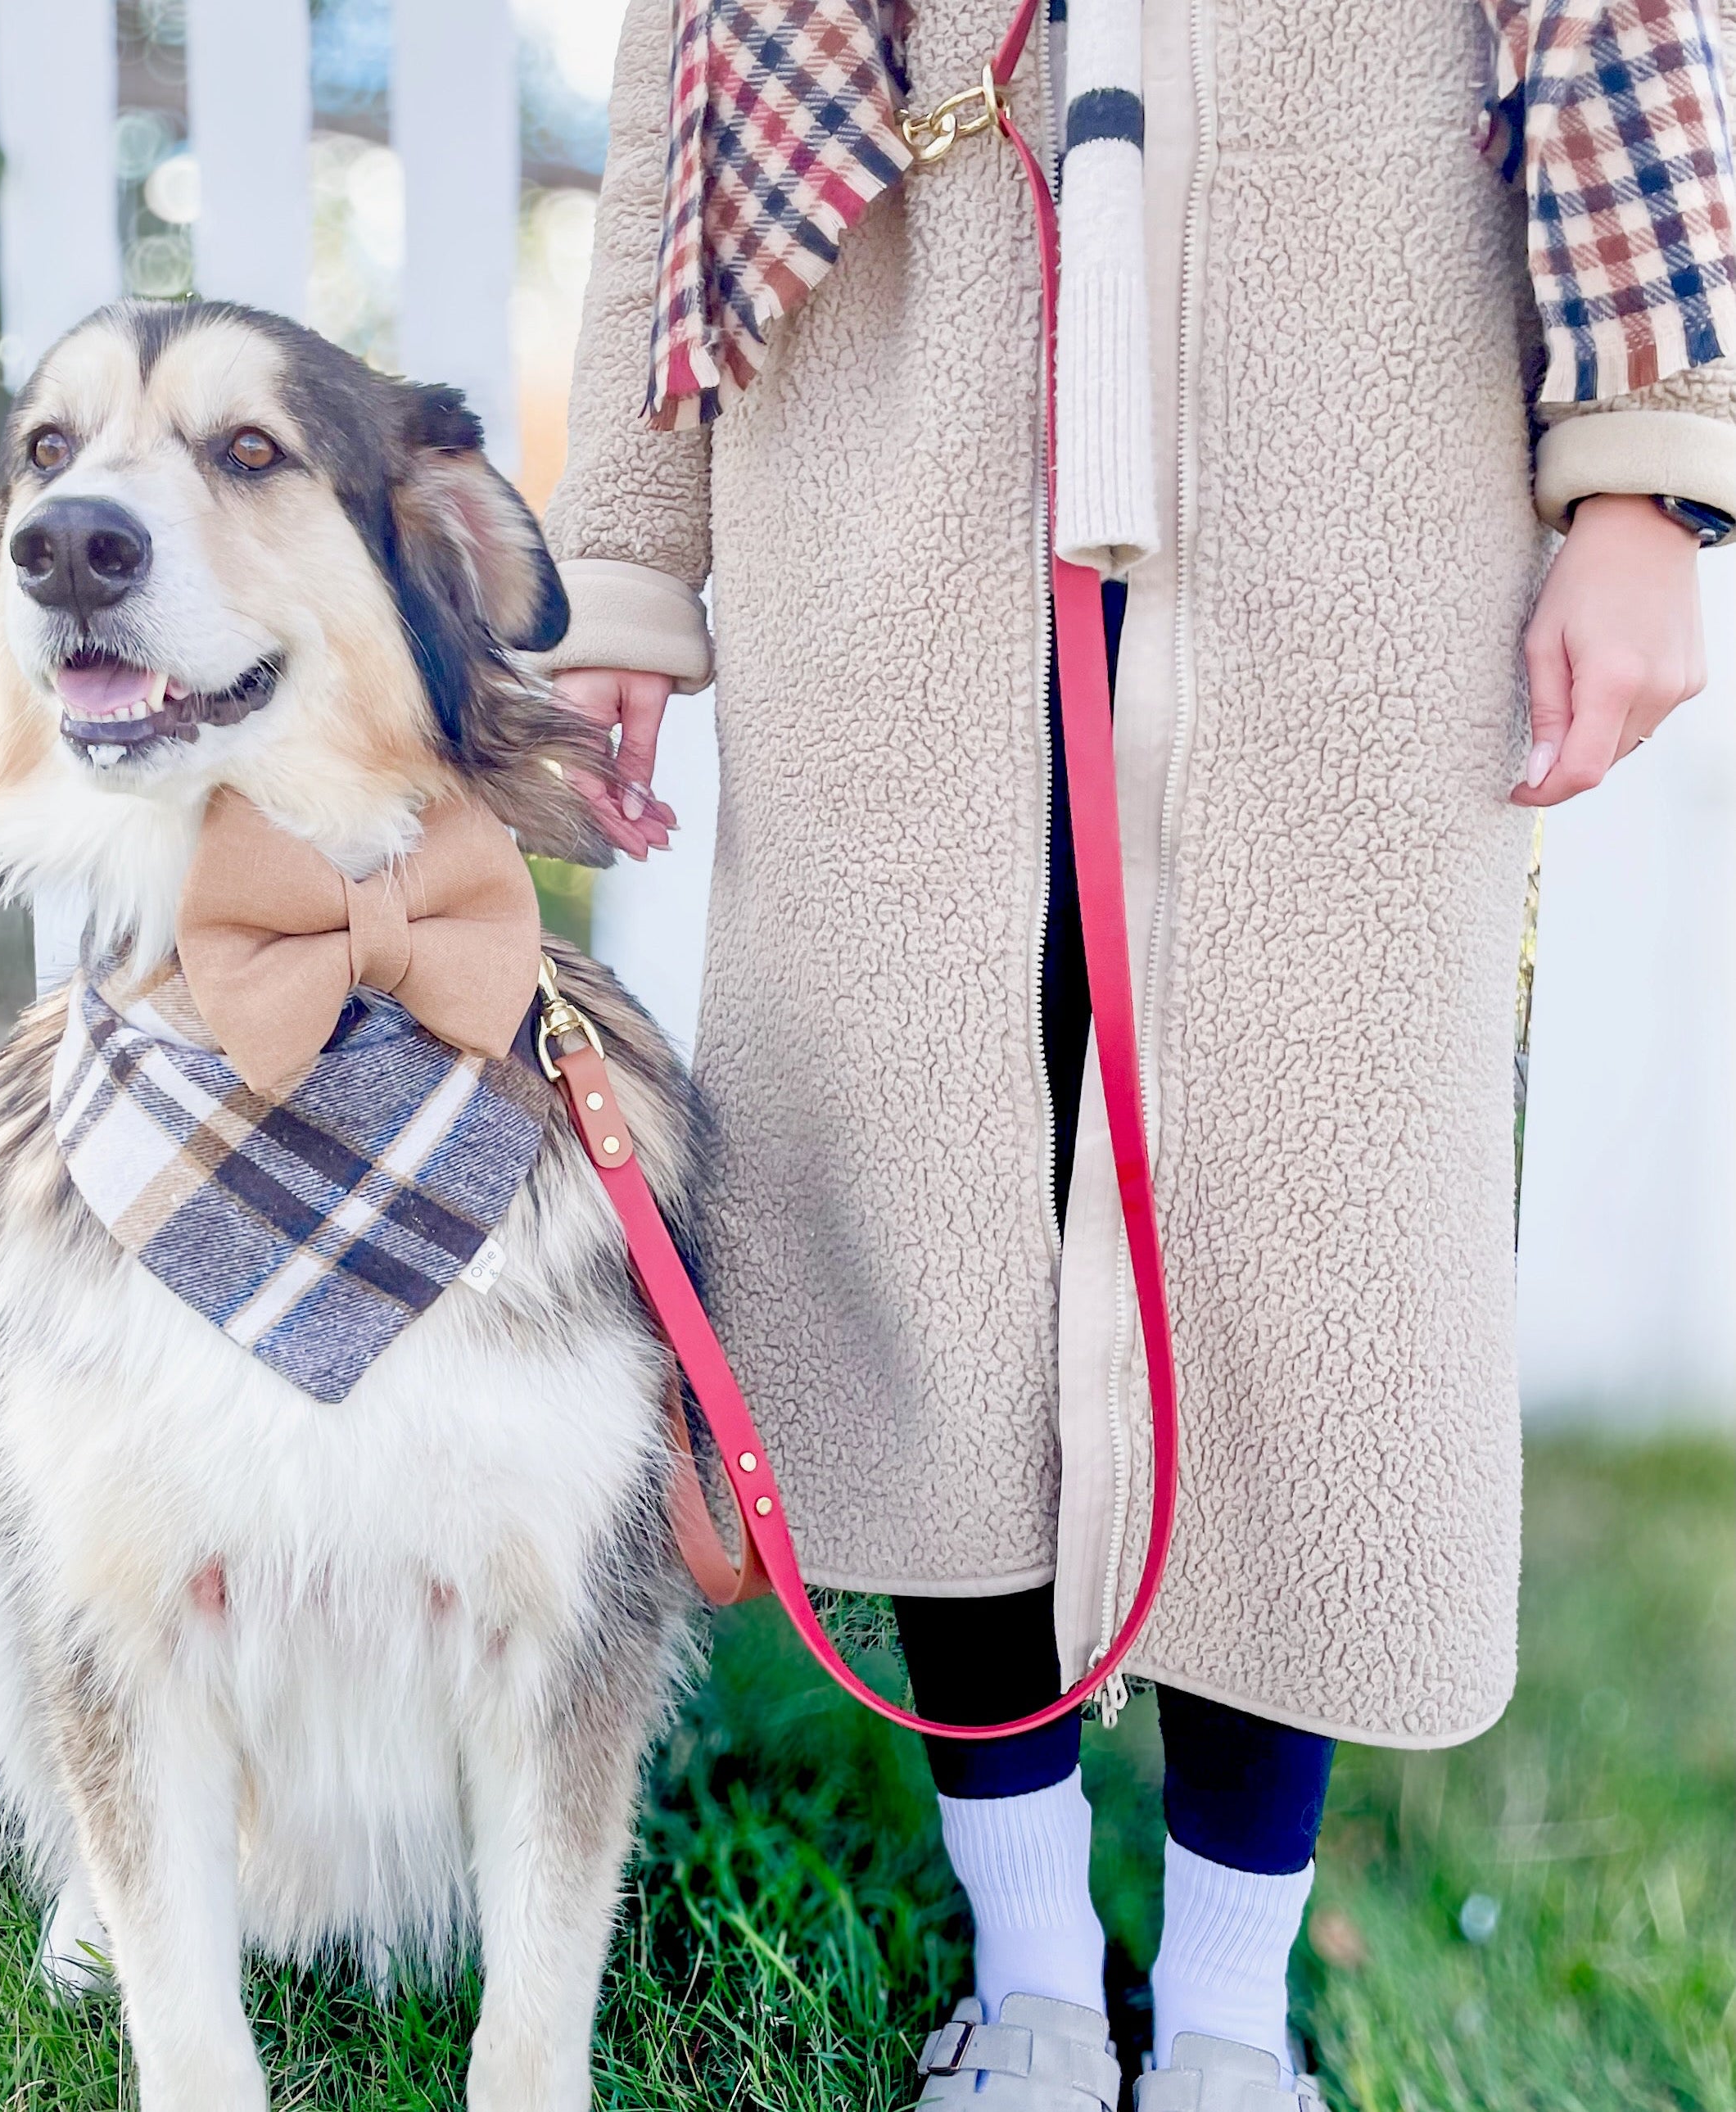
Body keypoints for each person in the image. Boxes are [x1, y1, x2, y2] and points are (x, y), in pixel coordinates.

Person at [533, 0, 1736, 2103]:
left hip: (1350, 420)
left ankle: (1220, 2022)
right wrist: (632, 550)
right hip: (900, 422)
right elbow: (686, 81)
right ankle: (1028, 1975)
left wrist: (1651, 465)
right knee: (931, 1205)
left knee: (1303, 1212)